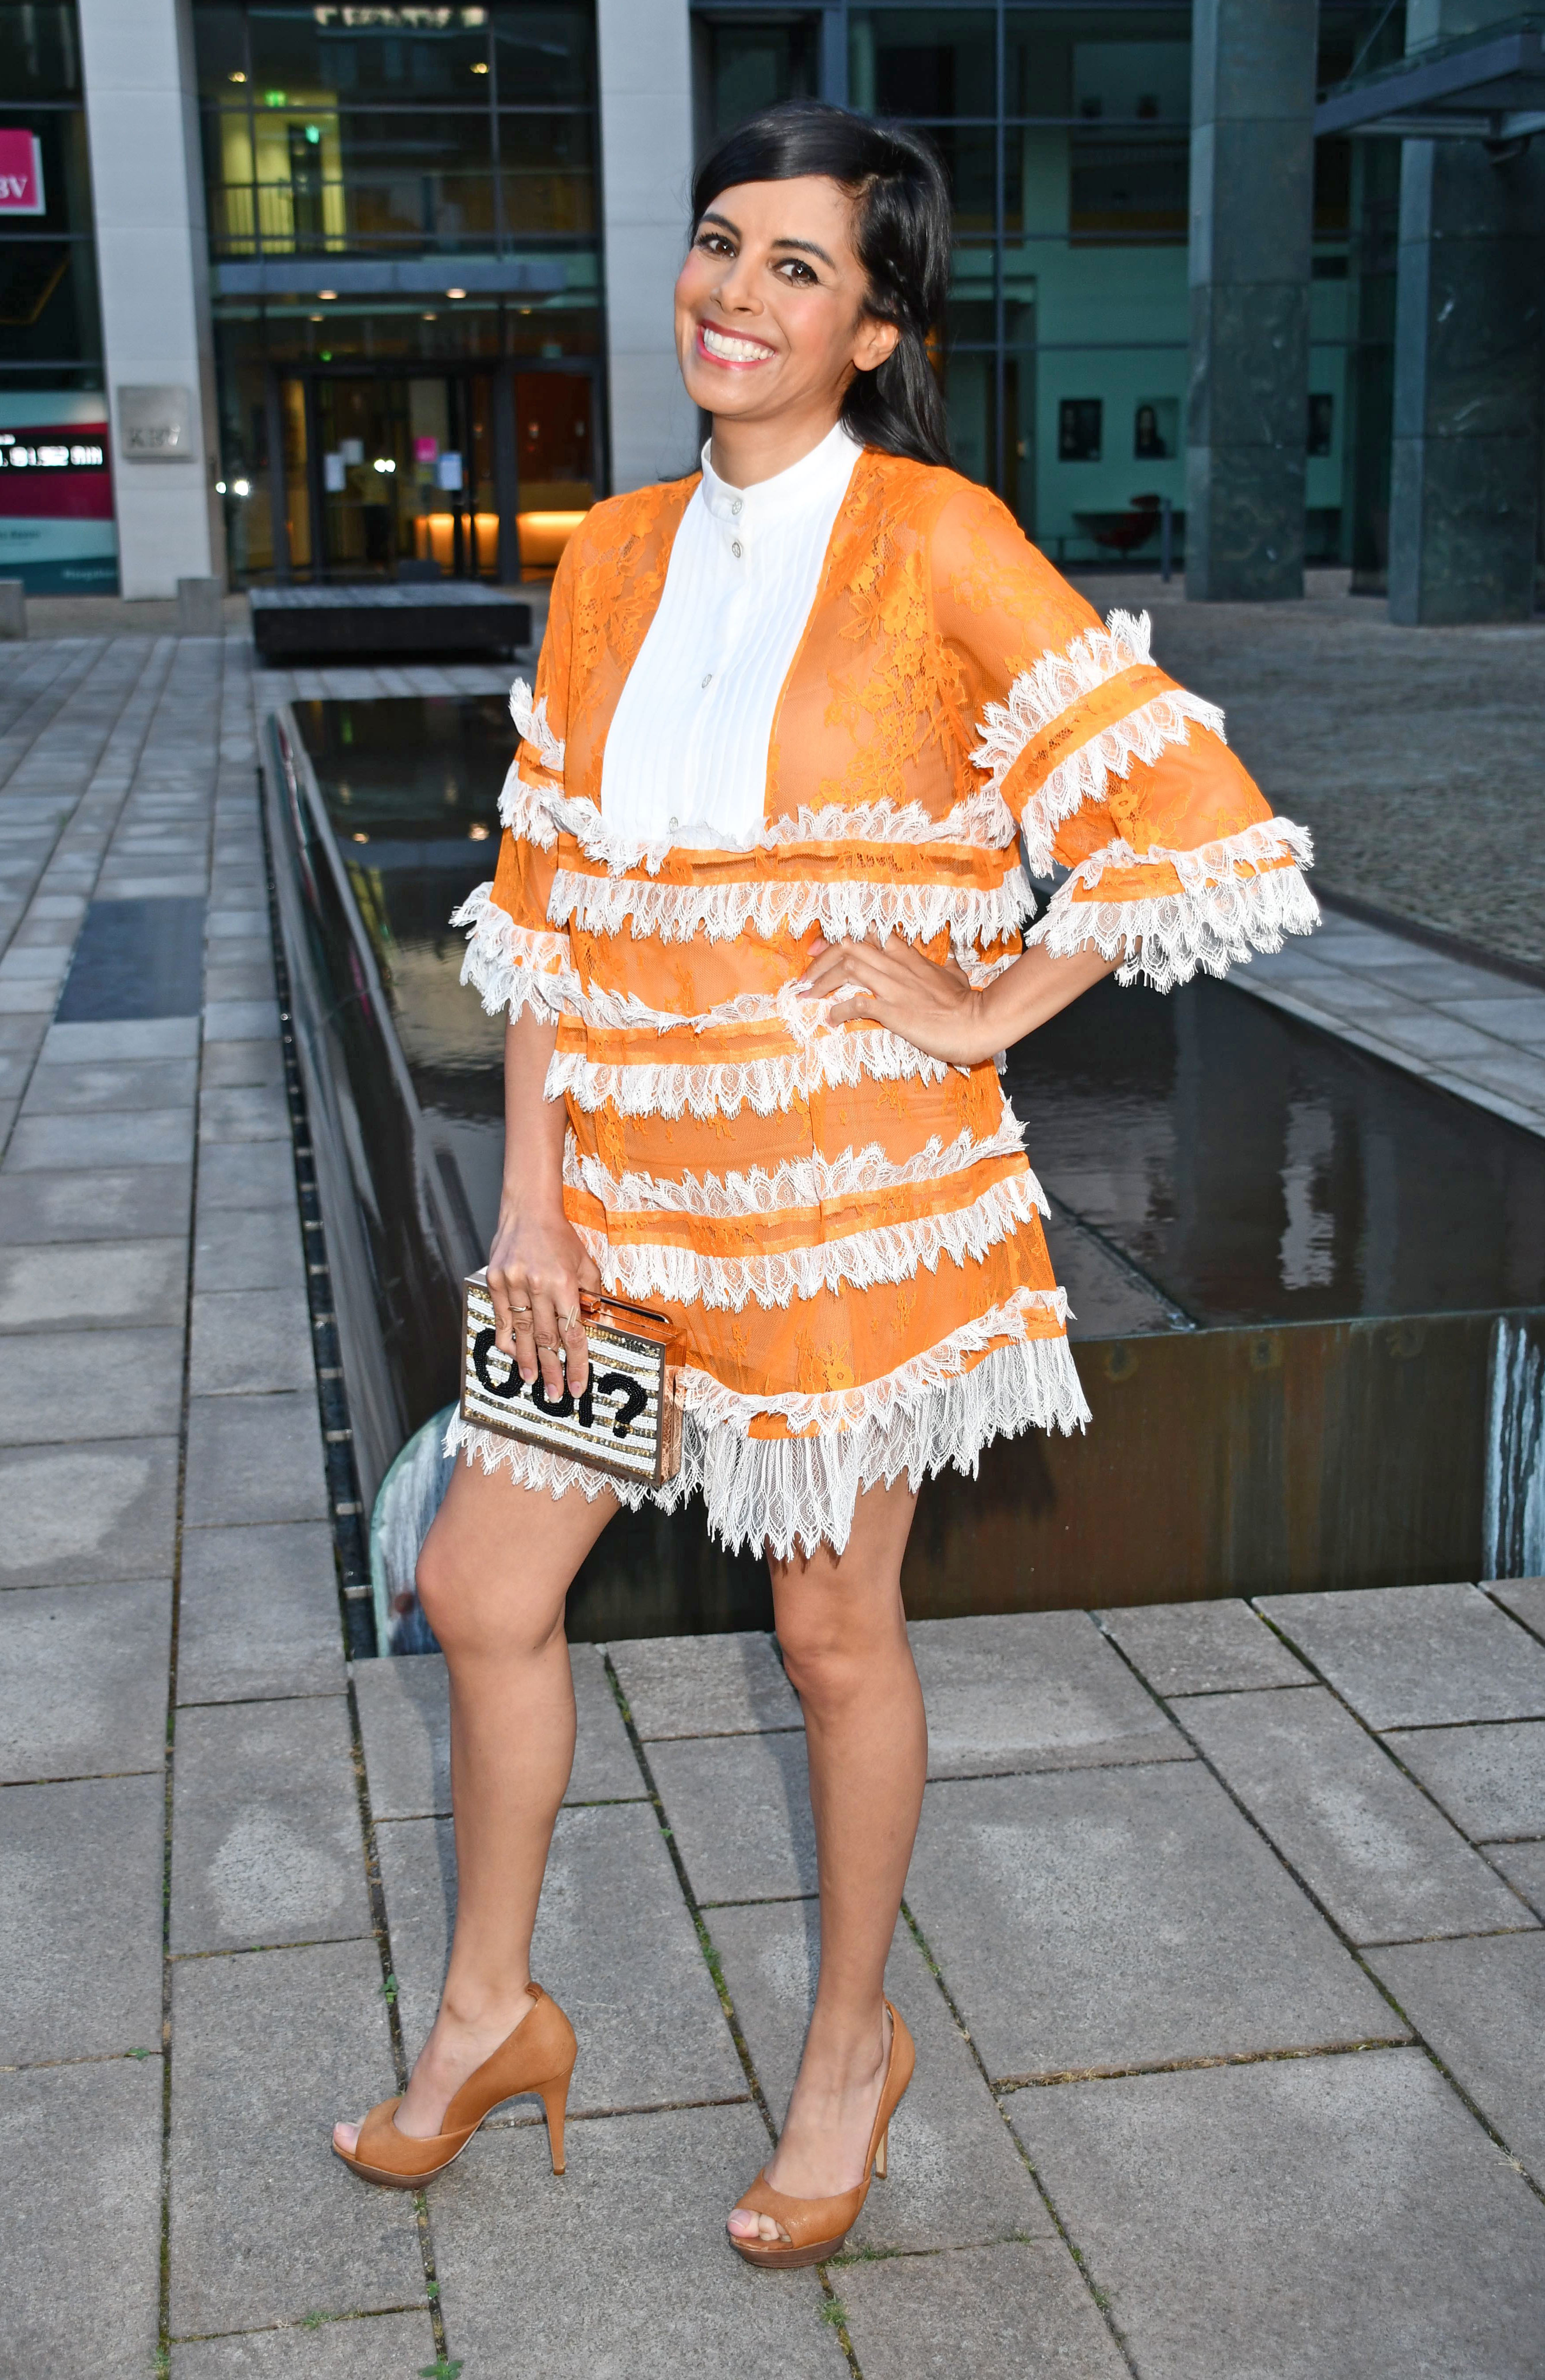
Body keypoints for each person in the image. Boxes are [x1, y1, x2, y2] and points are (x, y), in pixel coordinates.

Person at [332, 99, 1316, 2261]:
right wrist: (529, 1199)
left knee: (828, 1629)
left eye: (797, 267)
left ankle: (849, 2046)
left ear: (874, 328)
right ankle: (494, 2013)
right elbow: (548, 908)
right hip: (619, 1207)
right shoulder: (604, 555)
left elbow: (1191, 814)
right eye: (720, 243)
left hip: (853, 1196)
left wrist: (989, 1006)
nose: (735, 293)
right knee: (480, 1589)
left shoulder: (937, 538)